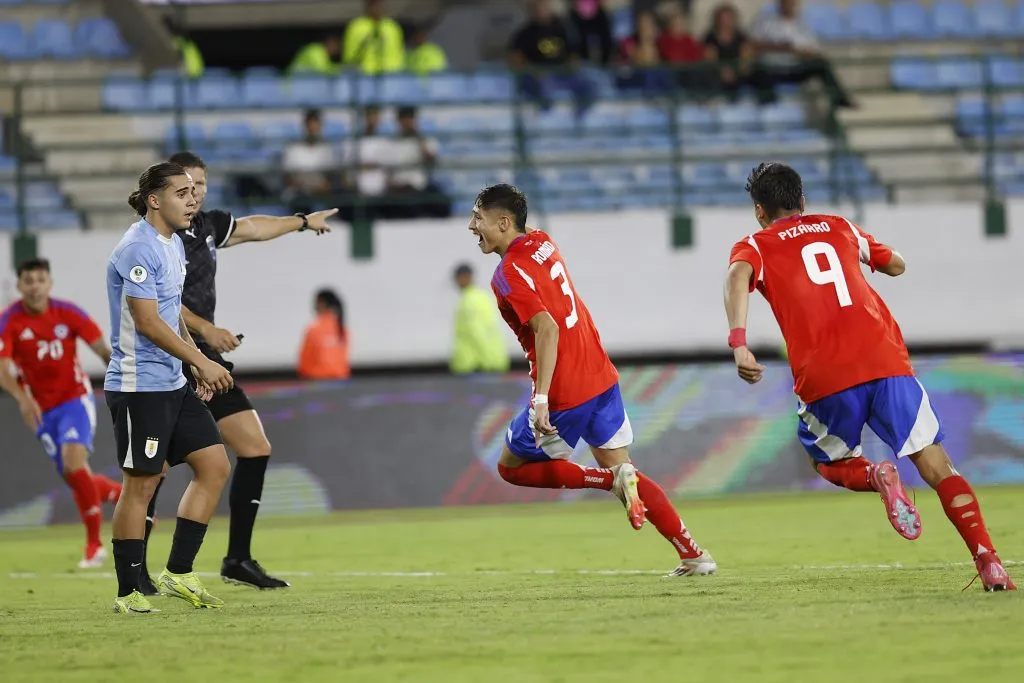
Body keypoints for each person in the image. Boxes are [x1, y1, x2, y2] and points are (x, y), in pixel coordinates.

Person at [724, 162, 1015, 592]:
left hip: (825, 371)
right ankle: (989, 560)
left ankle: (876, 476)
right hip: (885, 359)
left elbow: (737, 276)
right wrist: (869, 253)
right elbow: (896, 265)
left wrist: (738, 341)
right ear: (802, 201)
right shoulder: (839, 225)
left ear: (759, 212)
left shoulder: (755, 244)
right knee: (938, 465)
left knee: (828, 461)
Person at [469, 184, 715, 577]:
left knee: (510, 467)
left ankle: (607, 481)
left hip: (566, 389)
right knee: (628, 469)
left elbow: (546, 328)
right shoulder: (543, 242)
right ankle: (693, 553)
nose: (471, 226)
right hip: (599, 373)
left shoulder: (506, 274)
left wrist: (542, 398)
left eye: (478, 218)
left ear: (503, 222)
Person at [133, 151, 336, 593]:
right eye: (187, 186)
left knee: (255, 446)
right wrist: (207, 329)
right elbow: (160, 303)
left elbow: (252, 227)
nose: (196, 194)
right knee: (153, 471)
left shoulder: (206, 226)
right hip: (175, 359)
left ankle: (237, 559)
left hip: (209, 359)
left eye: (201, 185)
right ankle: (136, 572)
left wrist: (302, 221)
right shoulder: (160, 239)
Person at [106, 162, 235, 614]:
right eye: (181, 193)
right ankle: (127, 592)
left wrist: (192, 366)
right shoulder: (136, 248)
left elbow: (171, 311)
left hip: (172, 380)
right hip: (139, 386)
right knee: (140, 485)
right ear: (154, 200)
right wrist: (200, 358)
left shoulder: (174, 244)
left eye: (193, 191)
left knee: (214, 465)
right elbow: (146, 322)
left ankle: (178, 572)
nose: (193, 199)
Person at [0, 258, 121, 569]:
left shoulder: (68, 313)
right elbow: (2, 368)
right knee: (74, 475)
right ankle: (119, 494)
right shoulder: (9, 320)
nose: (35, 286)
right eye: (29, 281)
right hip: (41, 410)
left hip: (74, 401)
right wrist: (22, 399)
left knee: (72, 462)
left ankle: (94, 546)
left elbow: (103, 350)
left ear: (49, 284)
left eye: (41, 279)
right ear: (20, 286)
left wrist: (124, 376)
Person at [750, 0, 853, 107]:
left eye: (791, 2)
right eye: (785, 2)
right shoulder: (765, 21)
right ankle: (770, 108)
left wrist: (801, 53)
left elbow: (814, 50)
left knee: (821, 64)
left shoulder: (803, 26)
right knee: (758, 70)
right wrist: (782, 48)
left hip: (795, 67)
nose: (788, 4)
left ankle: (840, 100)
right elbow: (753, 45)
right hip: (771, 67)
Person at [449, 263, 509, 375]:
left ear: (465, 277)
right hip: (489, 361)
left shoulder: (468, 301)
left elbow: (476, 332)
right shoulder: (483, 297)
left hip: (475, 365)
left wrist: (488, 363)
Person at [298, 289, 350, 380]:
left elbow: (305, 360)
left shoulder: (314, 329)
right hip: (340, 381)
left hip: (317, 380)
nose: (314, 307)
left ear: (322, 303)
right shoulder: (342, 329)